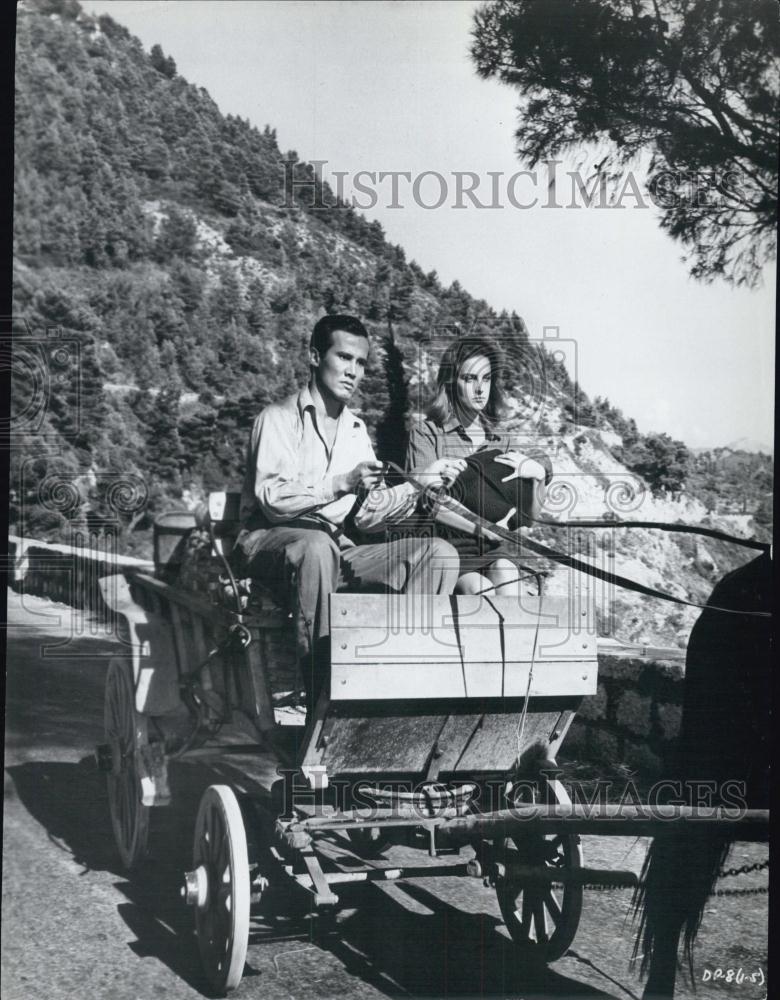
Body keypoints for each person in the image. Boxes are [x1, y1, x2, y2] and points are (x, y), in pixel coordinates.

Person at [235, 314, 460, 708]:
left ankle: (396, 682)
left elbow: (369, 515)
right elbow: (272, 500)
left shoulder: (355, 431)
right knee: (316, 547)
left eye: (361, 363)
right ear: (314, 357)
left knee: (437, 554)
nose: (353, 371)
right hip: (267, 543)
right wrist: (341, 483)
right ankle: (323, 690)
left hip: (334, 548)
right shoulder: (277, 419)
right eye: (344, 358)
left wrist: (419, 483)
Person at [406, 335, 552, 595]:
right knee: (480, 588)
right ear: (451, 382)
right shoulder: (427, 433)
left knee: (507, 575)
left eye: (486, 379)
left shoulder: (502, 440)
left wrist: (538, 478)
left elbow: (525, 521)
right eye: (470, 378)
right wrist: (485, 529)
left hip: (493, 548)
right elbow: (429, 502)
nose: (480, 389)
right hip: (446, 546)